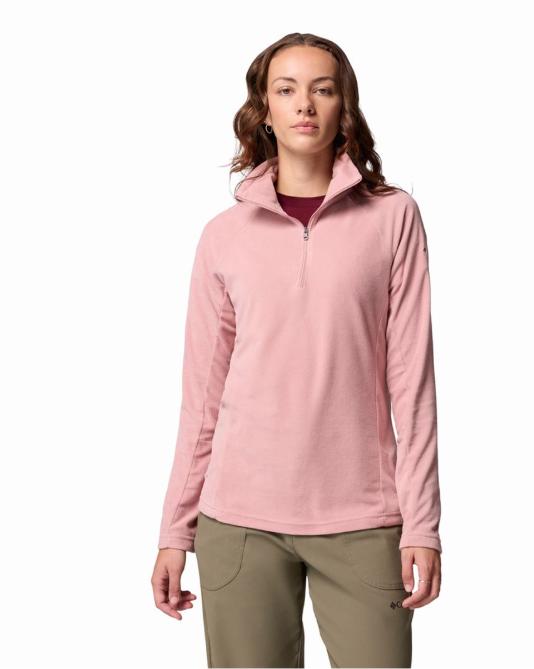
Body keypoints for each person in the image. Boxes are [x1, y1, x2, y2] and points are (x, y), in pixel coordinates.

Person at [151, 32, 442, 668]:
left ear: (344, 106)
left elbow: (412, 384)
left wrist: (421, 524)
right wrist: (176, 529)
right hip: (239, 522)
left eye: (322, 89)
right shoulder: (224, 236)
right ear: (265, 109)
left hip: (362, 518)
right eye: (286, 90)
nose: (304, 104)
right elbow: (202, 398)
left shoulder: (392, 217)